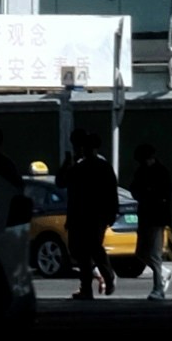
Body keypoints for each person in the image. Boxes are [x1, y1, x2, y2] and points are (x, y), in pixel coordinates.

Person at [62, 130, 119, 303]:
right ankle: (89, 287)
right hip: (85, 217)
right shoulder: (81, 167)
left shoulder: (93, 168)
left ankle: (103, 279)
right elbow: (62, 182)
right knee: (83, 253)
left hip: (92, 217)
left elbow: (110, 193)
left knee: (90, 250)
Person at [133, 140, 172, 306]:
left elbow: (165, 193)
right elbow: (135, 189)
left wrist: (149, 193)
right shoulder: (141, 171)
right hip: (145, 216)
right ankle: (163, 273)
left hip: (156, 217)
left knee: (154, 254)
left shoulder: (160, 172)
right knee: (140, 252)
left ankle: (159, 289)